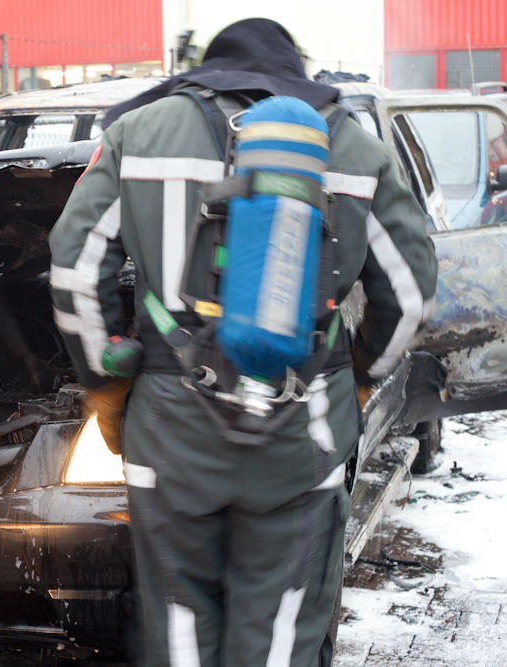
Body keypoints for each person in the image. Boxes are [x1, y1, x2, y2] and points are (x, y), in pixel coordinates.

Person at [49, 19, 437, 667]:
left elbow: (71, 271)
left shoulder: (137, 134)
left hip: (169, 428)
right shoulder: (352, 146)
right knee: (282, 622)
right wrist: (361, 376)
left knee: (176, 621)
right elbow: (411, 293)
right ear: (295, 72)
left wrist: (107, 390)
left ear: (210, 68)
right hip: (303, 430)